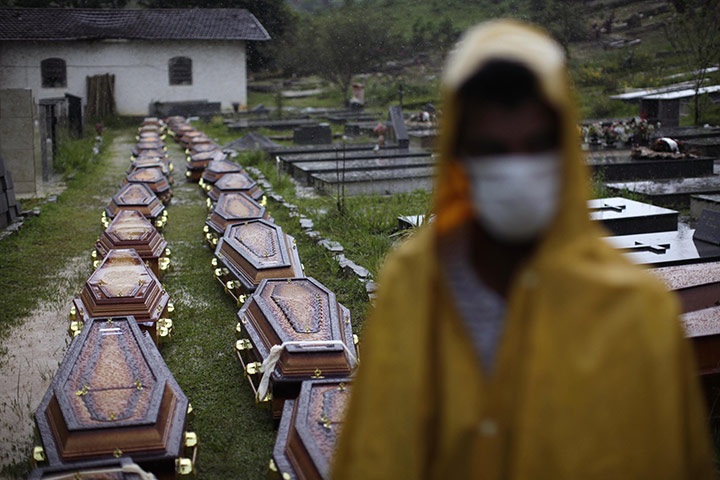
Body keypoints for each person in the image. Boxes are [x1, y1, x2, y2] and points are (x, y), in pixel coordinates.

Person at [332, 20, 714, 479]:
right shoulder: (413, 283)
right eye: (492, 149)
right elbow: (377, 449)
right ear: (460, 157)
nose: (516, 170)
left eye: (536, 147)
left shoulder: (635, 307)